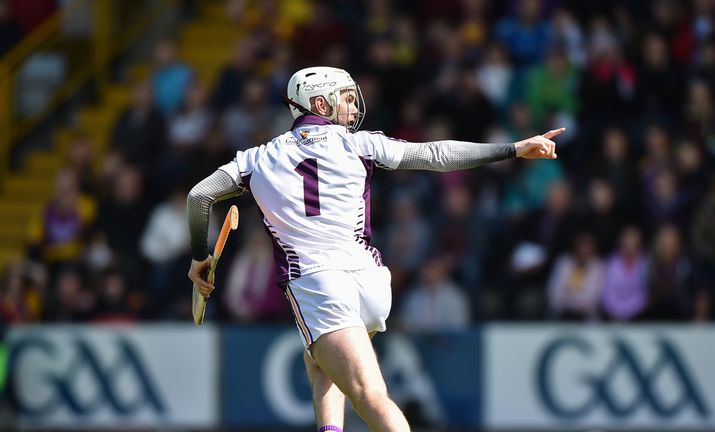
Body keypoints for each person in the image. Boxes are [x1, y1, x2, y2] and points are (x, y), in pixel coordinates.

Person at [186, 66, 562, 431]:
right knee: (320, 358)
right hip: (372, 283)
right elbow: (436, 155)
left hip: (319, 285)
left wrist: (201, 258)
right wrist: (513, 149)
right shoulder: (361, 143)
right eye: (346, 99)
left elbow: (199, 197)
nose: (353, 108)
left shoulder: (254, 159)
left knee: (370, 396)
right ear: (320, 105)